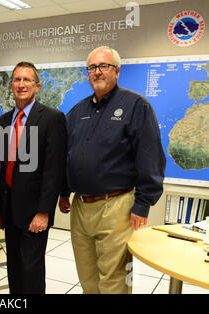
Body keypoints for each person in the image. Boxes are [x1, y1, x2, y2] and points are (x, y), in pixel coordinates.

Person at [58, 46, 166, 294]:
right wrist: (64, 191)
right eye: (92, 67)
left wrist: (142, 204)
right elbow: (67, 156)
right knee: (87, 278)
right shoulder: (76, 112)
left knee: (114, 280)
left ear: (117, 71)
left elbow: (150, 156)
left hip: (117, 206)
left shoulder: (136, 105)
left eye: (103, 66)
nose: (97, 72)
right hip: (80, 207)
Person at [0, 62, 67, 294]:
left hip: (35, 212)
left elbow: (54, 168)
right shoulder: (0, 124)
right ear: (11, 86)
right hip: (9, 211)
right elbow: (0, 169)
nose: (21, 84)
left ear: (37, 86)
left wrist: (44, 211)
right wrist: (0, 210)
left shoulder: (52, 118)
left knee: (31, 271)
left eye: (26, 80)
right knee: (14, 269)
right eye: (16, 80)